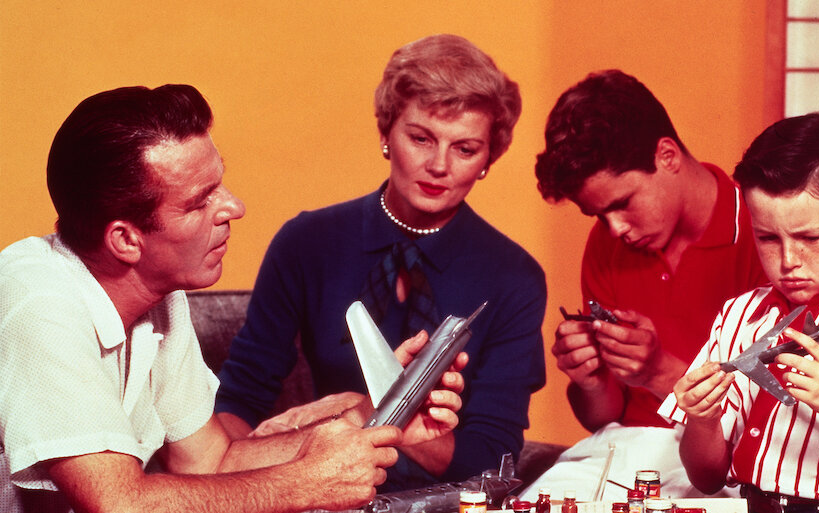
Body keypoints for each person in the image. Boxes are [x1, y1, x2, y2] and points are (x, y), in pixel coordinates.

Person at [0, 84, 465, 513]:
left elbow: (211, 461)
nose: (234, 208)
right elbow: (120, 505)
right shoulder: (38, 302)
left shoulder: (158, 295)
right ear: (125, 240)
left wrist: (376, 413)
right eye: (200, 201)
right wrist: (303, 484)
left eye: (219, 185)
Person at [215, 34, 546, 491]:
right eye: (421, 138)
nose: (439, 165)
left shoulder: (514, 276)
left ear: (489, 158)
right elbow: (239, 399)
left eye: (465, 149)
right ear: (386, 133)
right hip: (319, 485)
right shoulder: (307, 242)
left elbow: (493, 458)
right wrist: (219, 477)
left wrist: (382, 415)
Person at [520, 69, 765, 501]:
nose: (614, 229)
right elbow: (603, 417)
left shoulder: (763, 233)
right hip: (624, 448)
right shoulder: (607, 244)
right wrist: (590, 379)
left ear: (666, 156)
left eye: (622, 204)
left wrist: (658, 372)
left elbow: (773, 419)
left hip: (728, 458)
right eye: (599, 215)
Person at [663, 112, 819, 511]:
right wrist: (703, 420)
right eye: (767, 238)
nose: (788, 261)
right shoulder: (737, 316)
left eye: (810, 238)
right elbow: (706, 478)